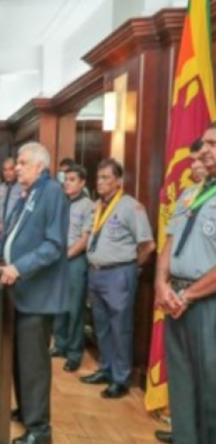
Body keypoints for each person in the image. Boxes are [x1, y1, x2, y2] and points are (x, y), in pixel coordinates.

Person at [0, 142, 69, 444]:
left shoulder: (51, 193)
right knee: (18, 358)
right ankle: (27, 410)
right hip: (19, 293)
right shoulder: (28, 193)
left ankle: (39, 430)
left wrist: (19, 267)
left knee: (34, 363)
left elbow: (53, 246)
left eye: (23, 163)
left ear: (40, 166)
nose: (18, 167)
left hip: (36, 294)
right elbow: (9, 235)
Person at [155, 128, 216, 444]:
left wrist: (187, 295)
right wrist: (161, 285)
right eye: (204, 143)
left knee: (210, 387)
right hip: (175, 299)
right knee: (181, 383)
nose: (204, 150)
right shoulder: (190, 194)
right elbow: (169, 242)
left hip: (206, 304)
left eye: (212, 144)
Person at [80, 159, 155, 399]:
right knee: (101, 326)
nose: (100, 182)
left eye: (106, 178)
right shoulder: (98, 206)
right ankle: (106, 368)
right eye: (99, 178)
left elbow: (148, 245)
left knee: (120, 327)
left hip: (119, 274)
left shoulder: (131, 207)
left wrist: (132, 267)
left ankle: (121, 378)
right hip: (96, 272)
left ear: (119, 181)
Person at [50, 165, 93, 372]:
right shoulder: (61, 203)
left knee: (75, 309)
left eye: (73, 179)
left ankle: (75, 353)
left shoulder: (88, 206)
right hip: (58, 260)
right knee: (59, 305)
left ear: (82, 182)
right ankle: (60, 344)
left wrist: (65, 256)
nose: (67, 182)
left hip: (75, 260)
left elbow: (85, 239)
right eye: (66, 179)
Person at [0, 158, 24, 234]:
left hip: (16, 231)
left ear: (16, 170)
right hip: (1, 232)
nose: (7, 173)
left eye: (11, 169)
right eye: (5, 170)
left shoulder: (23, 188)